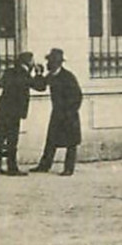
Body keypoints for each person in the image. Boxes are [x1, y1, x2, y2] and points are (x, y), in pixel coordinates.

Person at [32, 48, 83, 176]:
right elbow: (41, 87)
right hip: (57, 113)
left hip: (69, 114)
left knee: (71, 143)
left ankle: (68, 169)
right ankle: (44, 166)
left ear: (58, 63)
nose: (48, 64)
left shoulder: (68, 77)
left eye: (51, 61)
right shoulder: (51, 75)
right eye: (49, 61)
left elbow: (77, 96)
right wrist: (38, 74)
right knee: (51, 141)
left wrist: (70, 111)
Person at [0, 51, 42, 176]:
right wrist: (39, 73)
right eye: (32, 61)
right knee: (12, 139)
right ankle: (12, 167)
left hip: (3, 108)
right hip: (14, 111)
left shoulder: (9, 71)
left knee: (0, 137)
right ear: (27, 62)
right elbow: (40, 87)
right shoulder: (24, 74)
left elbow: (0, 84)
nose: (33, 63)